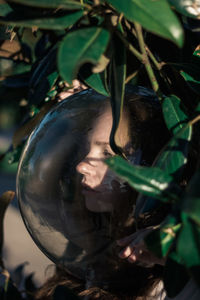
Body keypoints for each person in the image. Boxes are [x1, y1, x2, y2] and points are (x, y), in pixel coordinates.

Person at [17, 86, 170, 299]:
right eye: (86, 147)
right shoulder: (89, 233)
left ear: (150, 165)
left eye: (108, 153)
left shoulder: (168, 279)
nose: (80, 166)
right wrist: (70, 115)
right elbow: (38, 190)